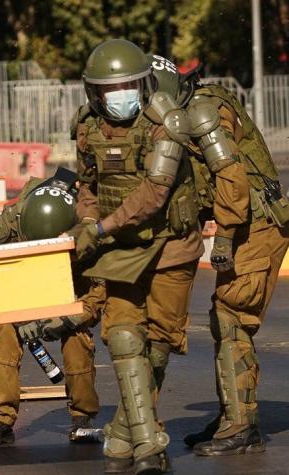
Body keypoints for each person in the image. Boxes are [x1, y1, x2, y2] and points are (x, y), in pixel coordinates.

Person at [70, 39, 203, 475]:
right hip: (122, 251)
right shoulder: (88, 126)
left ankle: (126, 432)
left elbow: (153, 195)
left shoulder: (167, 122)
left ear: (143, 84)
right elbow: (86, 186)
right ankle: (149, 444)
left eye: (127, 85)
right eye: (110, 88)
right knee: (124, 337)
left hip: (170, 246)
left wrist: (101, 228)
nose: (119, 95)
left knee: (159, 346)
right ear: (95, 92)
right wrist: (88, 221)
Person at [151, 55, 289, 455]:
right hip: (248, 221)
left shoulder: (203, 113)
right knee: (224, 318)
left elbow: (232, 179)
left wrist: (225, 239)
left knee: (232, 319)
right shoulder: (190, 111)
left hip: (257, 224)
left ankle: (240, 425)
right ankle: (234, 411)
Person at [0, 169, 103, 447]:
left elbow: (100, 293)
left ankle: (82, 418)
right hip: (28, 278)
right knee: (7, 334)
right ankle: (1, 420)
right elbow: (2, 267)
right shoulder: (15, 222)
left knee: (77, 340)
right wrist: (17, 310)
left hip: (73, 286)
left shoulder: (91, 229)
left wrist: (67, 320)